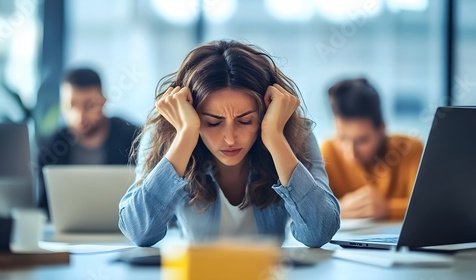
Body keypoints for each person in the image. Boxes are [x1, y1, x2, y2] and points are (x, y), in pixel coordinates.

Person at [118, 40, 340, 248]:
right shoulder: (168, 136)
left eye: (246, 121)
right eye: (213, 122)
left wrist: (274, 136)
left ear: (265, 114)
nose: (231, 138)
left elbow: (319, 232)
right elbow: (139, 232)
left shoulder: (290, 133)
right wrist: (186, 134)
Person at [37, 68, 137, 217]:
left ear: (103, 101)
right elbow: (43, 209)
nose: (79, 115)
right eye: (71, 105)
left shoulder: (133, 138)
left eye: (89, 105)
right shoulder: (51, 147)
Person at [321, 78, 423, 220]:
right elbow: (313, 210)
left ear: (381, 130)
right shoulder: (327, 153)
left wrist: (387, 209)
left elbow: (427, 207)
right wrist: (336, 209)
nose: (351, 153)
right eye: (342, 138)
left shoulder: (409, 149)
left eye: (362, 140)